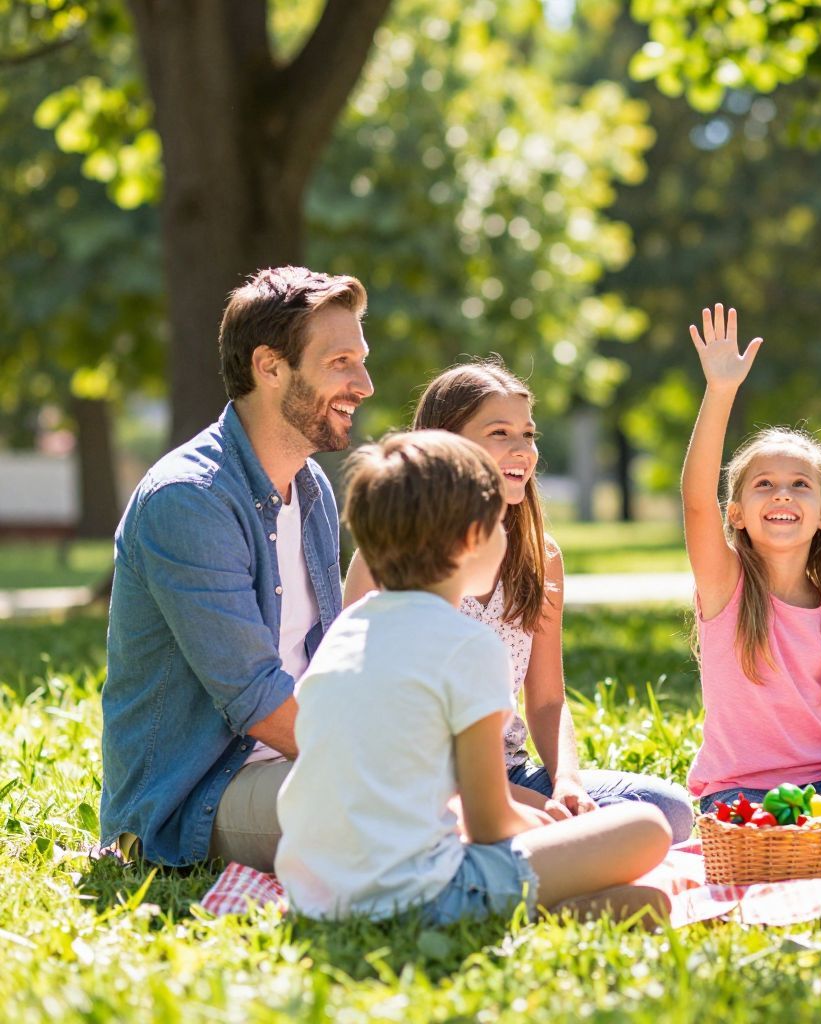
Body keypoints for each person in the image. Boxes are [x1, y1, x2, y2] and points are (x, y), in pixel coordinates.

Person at [276, 431, 670, 923]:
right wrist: (550, 827)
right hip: (420, 896)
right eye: (498, 523)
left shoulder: (348, 630)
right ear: (471, 539)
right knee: (647, 827)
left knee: (638, 891)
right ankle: (532, 907)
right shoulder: (467, 645)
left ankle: (564, 909)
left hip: (316, 894)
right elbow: (489, 823)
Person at [343, 359, 694, 842]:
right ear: (446, 444)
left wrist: (566, 783)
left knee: (668, 809)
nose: (522, 450)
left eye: (528, 434)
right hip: (423, 784)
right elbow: (376, 719)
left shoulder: (540, 555)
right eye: (500, 433)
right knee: (621, 832)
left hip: (509, 772)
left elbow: (547, 701)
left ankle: (531, 846)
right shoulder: (385, 560)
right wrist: (531, 809)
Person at [101, 266, 373, 870]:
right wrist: (384, 764)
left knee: (575, 796)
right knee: (407, 805)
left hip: (304, 764)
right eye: (341, 363)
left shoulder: (312, 489)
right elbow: (255, 697)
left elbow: (327, 660)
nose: (365, 384)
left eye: (362, 361)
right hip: (195, 799)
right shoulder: (189, 498)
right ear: (270, 366)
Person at [681, 304, 821, 811]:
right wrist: (720, 390)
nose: (782, 494)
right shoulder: (725, 586)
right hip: (737, 792)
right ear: (737, 514)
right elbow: (697, 500)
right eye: (764, 484)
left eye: (800, 485)